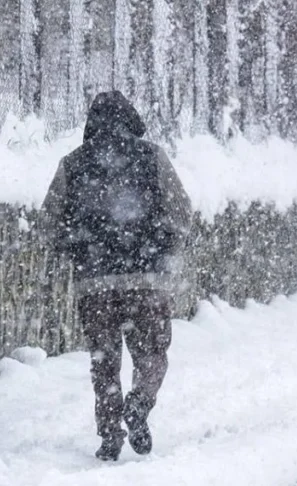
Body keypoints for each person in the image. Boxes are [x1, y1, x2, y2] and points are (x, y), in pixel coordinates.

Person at [41, 90, 192, 461]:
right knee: (152, 353)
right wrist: (165, 246)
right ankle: (139, 403)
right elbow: (182, 211)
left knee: (104, 362)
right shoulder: (152, 156)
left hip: (95, 282)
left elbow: (48, 222)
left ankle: (110, 435)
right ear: (131, 118)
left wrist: (75, 247)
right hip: (148, 279)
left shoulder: (73, 163)